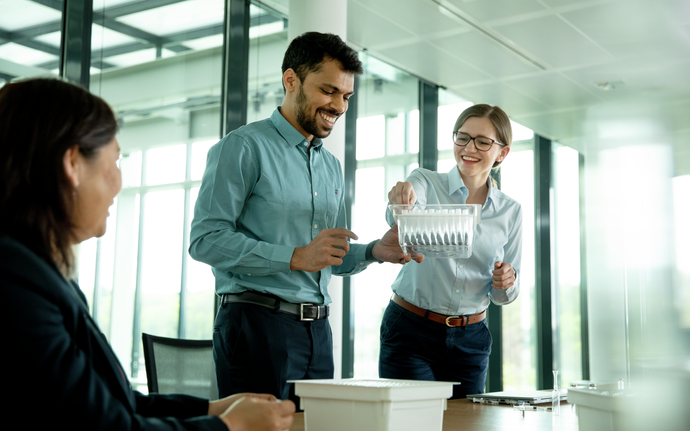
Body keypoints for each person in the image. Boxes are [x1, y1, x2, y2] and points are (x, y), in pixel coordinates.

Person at [0, 78, 295, 431]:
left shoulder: (39, 274)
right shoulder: (17, 285)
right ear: (73, 164)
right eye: (116, 160)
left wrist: (216, 409)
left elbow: (112, 400)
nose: (119, 183)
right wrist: (232, 427)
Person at [189, 32, 422, 404]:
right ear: (291, 80)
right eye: (328, 91)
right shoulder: (244, 147)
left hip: (317, 331)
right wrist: (296, 257)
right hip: (256, 326)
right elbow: (205, 239)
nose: (339, 106)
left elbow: (328, 256)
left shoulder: (330, 166)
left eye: (346, 96)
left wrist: (376, 251)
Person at [379, 104, 522, 399]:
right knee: (412, 423)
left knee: (465, 425)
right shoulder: (426, 182)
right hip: (411, 330)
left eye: (482, 142)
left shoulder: (510, 211)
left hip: (471, 339)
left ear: (502, 153)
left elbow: (504, 294)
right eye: (462, 137)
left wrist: (507, 281)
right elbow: (402, 213)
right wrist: (399, 201)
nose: (469, 148)